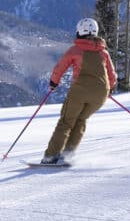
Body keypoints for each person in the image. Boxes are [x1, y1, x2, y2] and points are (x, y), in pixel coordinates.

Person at [40, 17, 118, 165]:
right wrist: (110, 88)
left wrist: (53, 83)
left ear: (79, 32)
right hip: (100, 94)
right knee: (80, 120)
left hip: (80, 91)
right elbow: (112, 74)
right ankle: (68, 154)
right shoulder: (104, 52)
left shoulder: (75, 50)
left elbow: (60, 67)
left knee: (66, 122)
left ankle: (51, 156)